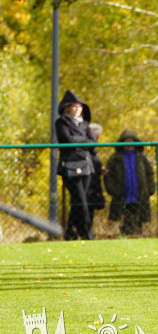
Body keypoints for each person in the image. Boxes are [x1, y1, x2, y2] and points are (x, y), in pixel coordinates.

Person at [54, 90, 99, 240]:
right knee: (80, 198)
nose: (77, 109)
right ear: (67, 108)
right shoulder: (61, 122)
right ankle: (87, 231)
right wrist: (84, 141)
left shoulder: (85, 124)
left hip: (86, 164)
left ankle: (70, 232)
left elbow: (93, 144)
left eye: (79, 107)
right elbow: (66, 140)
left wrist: (80, 141)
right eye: (74, 106)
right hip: (70, 165)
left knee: (78, 200)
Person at [104, 130, 156, 236]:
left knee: (140, 218)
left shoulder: (141, 158)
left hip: (140, 195)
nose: (128, 144)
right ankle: (122, 235)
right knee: (120, 218)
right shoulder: (115, 158)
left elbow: (149, 174)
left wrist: (150, 189)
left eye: (131, 141)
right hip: (121, 195)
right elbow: (108, 175)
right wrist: (112, 190)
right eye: (126, 141)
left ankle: (139, 234)